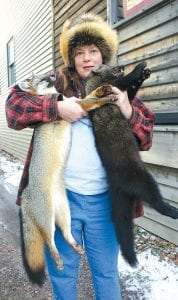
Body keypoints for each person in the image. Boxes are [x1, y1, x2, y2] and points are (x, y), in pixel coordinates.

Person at [6, 13, 155, 300]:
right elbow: (14, 106)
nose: (87, 59)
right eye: (79, 52)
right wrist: (56, 108)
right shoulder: (58, 83)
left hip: (105, 202)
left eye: (93, 51)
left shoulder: (119, 86)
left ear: (104, 54)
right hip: (62, 197)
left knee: (106, 274)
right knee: (63, 275)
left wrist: (128, 110)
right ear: (71, 57)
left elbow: (146, 137)